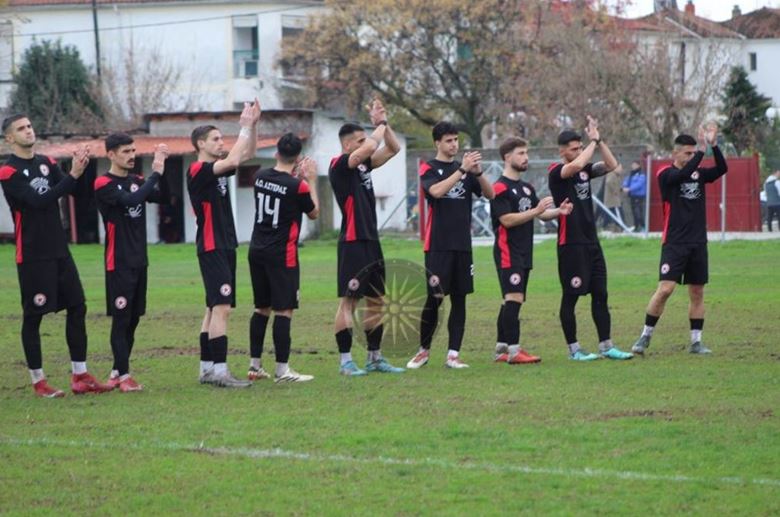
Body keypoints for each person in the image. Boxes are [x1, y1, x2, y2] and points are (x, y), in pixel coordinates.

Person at [0, 114, 112, 397]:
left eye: (29, 126)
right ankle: (39, 381)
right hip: (33, 255)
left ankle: (80, 375)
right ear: (10, 138)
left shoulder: (47, 163)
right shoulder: (8, 172)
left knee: (78, 307)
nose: (28, 131)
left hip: (59, 250)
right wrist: (72, 175)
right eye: (21, 129)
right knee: (34, 316)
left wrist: (82, 168)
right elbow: (39, 201)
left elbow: (74, 191)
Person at [631, 125, 727, 355]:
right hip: (674, 242)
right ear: (675, 153)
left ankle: (696, 342)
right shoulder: (665, 174)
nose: (692, 157)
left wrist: (714, 146)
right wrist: (702, 151)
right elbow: (682, 175)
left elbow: (722, 168)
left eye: (694, 153)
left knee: (697, 292)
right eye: (688, 153)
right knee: (666, 289)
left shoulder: (698, 173)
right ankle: (645, 336)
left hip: (698, 242)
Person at [406, 121, 495, 370]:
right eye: (449, 140)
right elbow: (435, 191)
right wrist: (462, 171)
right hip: (438, 245)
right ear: (437, 143)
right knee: (434, 299)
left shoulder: (465, 170)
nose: (454, 144)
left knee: (460, 299)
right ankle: (423, 351)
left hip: (462, 246)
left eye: (456, 140)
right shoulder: (429, 168)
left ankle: (453, 355)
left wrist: (477, 172)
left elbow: (490, 195)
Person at [187, 99, 261, 388]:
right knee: (222, 307)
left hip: (224, 244)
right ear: (201, 144)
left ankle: (206, 370)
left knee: (212, 308)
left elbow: (247, 153)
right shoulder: (198, 169)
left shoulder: (216, 168)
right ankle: (220, 372)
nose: (221, 143)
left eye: (222, 138)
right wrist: (243, 126)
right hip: (212, 245)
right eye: (216, 139)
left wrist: (253, 126)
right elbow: (232, 161)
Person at [328, 99, 405, 376]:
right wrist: (378, 125)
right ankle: (346, 361)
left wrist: (384, 122)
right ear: (348, 145)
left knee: (377, 300)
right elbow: (371, 146)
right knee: (349, 302)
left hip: (371, 241)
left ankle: (375, 358)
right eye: (359, 140)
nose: (366, 142)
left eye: (365, 138)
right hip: (352, 242)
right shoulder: (339, 164)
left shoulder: (363, 167)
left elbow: (393, 149)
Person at [547, 117, 633, 361]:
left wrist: (599, 140)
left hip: (591, 242)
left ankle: (607, 346)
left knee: (601, 294)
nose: (578, 152)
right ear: (562, 151)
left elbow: (612, 165)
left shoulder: (586, 169)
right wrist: (591, 144)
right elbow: (574, 166)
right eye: (574, 148)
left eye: (579, 147)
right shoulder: (556, 171)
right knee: (571, 296)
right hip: (570, 244)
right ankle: (574, 350)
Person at [94, 133, 169, 392]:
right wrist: (155, 174)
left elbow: (163, 197)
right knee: (121, 319)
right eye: (125, 151)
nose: (131, 155)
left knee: (134, 318)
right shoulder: (103, 183)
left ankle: (117, 372)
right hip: (119, 262)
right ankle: (125, 377)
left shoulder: (137, 181)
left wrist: (163, 168)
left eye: (133, 150)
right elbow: (131, 201)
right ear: (111, 154)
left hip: (139, 260)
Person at [491, 137, 573, 364]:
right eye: (521, 153)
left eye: (526, 153)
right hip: (508, 251)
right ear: (507, 157)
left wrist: (558, 212)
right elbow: (506, 220)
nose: (526, 157)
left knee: (510, 299)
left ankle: (501, 349)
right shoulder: (499, 187)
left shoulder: (527, 188)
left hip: (524, 252)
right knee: (514, 297)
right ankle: (514, 352)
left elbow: (540, 213)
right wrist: (536, 211)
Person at [247, 133, 319, 383]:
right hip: (281, 254)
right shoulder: (298, 186)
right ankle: (282, 370)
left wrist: (296, 176)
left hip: (257, 250)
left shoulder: (259, 176)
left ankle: (255, 366)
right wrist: (310, 180)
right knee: (284, 310)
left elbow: (280, 188)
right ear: (298, 158)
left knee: (261, 308)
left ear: (276, 153)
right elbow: (313, 213)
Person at [623, 160, 647, 232]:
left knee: (638, 212)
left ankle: (643, 227)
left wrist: (629, 189)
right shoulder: (631, 174)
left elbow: (639, 184)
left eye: (634, 165)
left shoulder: (641, 174)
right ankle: (636, 227)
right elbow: (626, 180)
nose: (632, 166)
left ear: (638, 165)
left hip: (639, 196)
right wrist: (624, 186)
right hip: (632, 196)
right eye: (632, 165)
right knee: (634, 212)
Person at [603, 164, 625, 231]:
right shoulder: (611, 174)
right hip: (613, 199)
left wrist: (620, 189)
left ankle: (614, 228)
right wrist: (615, 191)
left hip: (613, 200)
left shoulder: (616, 175)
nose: (621, 170)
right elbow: (609, 182)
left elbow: (616, 185)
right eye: (620, 168)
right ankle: (621, 227)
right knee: (618, 213)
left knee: (611, 213)